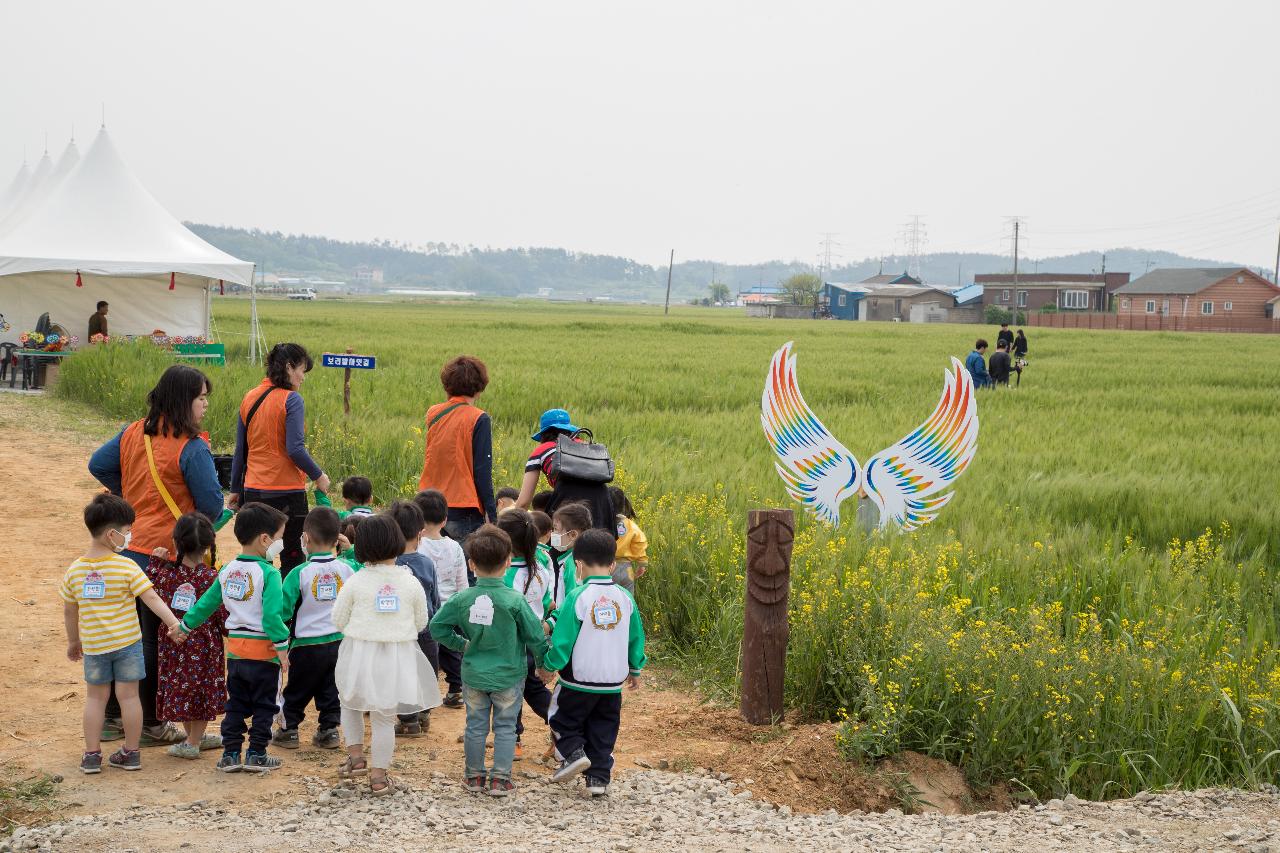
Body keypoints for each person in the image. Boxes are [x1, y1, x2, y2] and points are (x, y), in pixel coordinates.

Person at [88, 363, 224, 748]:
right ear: (185, 401)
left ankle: (113, 718)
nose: (205, 406)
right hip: (166, 558)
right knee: (154, 643)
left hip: (127, 551)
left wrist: (128, 499)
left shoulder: (134, 432)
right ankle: (151, 723)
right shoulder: (191, 447)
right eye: (201, 398)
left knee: (124, 638)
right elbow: (211, 505)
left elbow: (97, 463)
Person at [63, 494, 184, 774]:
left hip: (95, 646)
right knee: (129, 697)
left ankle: (92, 755)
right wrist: (173, 623)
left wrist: (73, 641)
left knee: (95, 699)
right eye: (128, 532)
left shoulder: (75, 570)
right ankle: (131, 753)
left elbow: (70, 611)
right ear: (111, 534)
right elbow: (151, 598)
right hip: (129, 644)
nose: (130, 537)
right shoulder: (127, 566)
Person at [429, 525, 548, 797]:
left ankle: (473, 777)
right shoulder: (515, 600)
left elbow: (437, 628)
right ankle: (500, 780)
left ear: (471, 564)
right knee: (506, 727)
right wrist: (543, 665)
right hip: (508, 675)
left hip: (474, 674)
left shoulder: (462, 599)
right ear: (508, 561)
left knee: (475, 726)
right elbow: (535, 637)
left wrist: (461, 644)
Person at [173, 502, 292, 773]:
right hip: (265, 653)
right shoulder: (270, 573)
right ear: (265, 539)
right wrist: (283, 649)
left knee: (236, 704)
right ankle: (257, 754)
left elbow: (206, 604)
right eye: (279, 538)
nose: (280, 544)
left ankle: (230, 754)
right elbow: (272, 618)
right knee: (266, 705)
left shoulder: (226, 570)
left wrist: (184, 627)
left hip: (236, 654)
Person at [332, 514, 441, 795]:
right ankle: (379, 778)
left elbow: (338, 619)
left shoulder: (356, 581)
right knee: (384, 717)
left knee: (350, 704)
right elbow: (421, 623)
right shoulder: (410, 582)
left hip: (358, 652)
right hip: (396, 656)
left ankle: (356, 759)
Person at [542, 529, 647, 797]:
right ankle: (598, 779)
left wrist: (549, 665)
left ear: (578, 564)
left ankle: (574, 752)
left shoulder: (578, 597)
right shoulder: (626, 598)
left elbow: (563, 640)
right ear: (612, 564)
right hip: (612, 683)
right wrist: (635, 668)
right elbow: (636, 637)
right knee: (604, 728)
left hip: (578, 679)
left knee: (560, 719)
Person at [229, 342, 332, 574]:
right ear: (288, 367)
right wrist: (319, 475)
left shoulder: (249, 397)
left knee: (256, 559)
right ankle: (286, 610)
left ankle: (254, 605)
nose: (302, 378)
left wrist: (235, 488)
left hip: (254, 491)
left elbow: (240, 449)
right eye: (301, 371)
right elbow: (295, 449)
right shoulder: (292, 400)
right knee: (292, 557)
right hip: (286, 493)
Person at [274, 506, 355, 751]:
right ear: (337, 539)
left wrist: (278, 636)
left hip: (306, 645)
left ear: (305, 538)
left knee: (298, 689)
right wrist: (350, 552)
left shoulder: (299, 572)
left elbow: (284, 610)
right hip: (339, 642)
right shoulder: (348, 569)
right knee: (332, 689)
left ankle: (289, 731)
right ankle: (329, 731)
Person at [147, 513, 225, 760]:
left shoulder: (166, 576)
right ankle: (195, 740)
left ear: (176, 542)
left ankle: (192, 740)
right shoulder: (213, 579)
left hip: (174, 643)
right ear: (207, 545)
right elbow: (223, 619)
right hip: (204, 645)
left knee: (182, 690)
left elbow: (146, 591)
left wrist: (154, 564)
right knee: (200, 689)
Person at [417, 355, 498, 541]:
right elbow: (482, 471)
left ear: (448, 384)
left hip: (429, 501)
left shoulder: (433, 413)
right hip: (463, 506)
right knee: (465, 567)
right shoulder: (479, 418)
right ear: (479, 387)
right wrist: (491, 514)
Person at [497, 508, 554, 760]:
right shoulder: (540, 569)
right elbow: (549, 602)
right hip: (534, 641)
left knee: (511, 691)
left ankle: (514, 740)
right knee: (533, 688)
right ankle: (563, 724)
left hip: (511, 643)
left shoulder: (507, 575)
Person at [516, 409, 615, 538]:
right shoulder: (586, 446)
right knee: (598, 550)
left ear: (544, 433)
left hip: (567, 499)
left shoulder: (542, 449)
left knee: (561, 548)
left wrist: (512, 524)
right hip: (602, 500)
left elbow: (523, 502)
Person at [387, 501, 441, 737]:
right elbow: (435, 599)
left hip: (399, 631)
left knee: (402, 674)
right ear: (420, 534)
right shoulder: (427, 563)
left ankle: (409, 721)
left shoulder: (389, 564)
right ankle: (424, 714)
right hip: (426, 628)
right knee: (426, 670)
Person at [414, 489, 468, 709]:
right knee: (451, 650)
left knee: (427, 651)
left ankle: (424, 693)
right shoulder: (454, 547)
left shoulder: (416, 545)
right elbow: (462, 582)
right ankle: (456, 690)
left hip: (425, 608)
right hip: (450, 607)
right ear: (445, 519)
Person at [549, 502, 591, 607]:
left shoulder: (573, 563)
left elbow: (573, 600)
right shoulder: (581, 556)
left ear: (573, 535)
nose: (552, 534)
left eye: (556, 530)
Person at [609, 487, 648, 595]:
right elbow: (640, 542)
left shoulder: (604, 523)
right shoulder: (631, 524)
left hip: (608, 567)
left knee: (609, 601)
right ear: (623, 503)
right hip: (627, 570)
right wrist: (642, 563)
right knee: (628, 600)